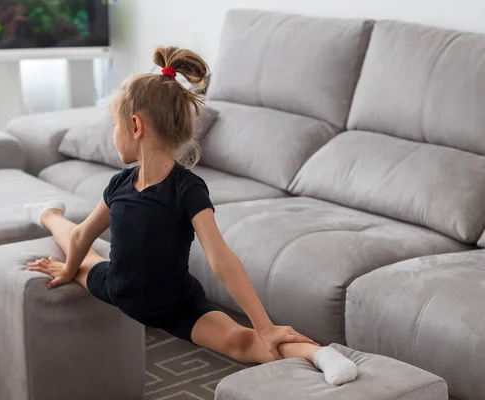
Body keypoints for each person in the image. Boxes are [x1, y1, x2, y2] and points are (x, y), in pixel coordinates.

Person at [24, 46, 358, 385]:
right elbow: (81, 236)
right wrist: (67, 270)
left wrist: (265, 326)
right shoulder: (119, 185)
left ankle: (321, 354)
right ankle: (49, 214)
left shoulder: (187, 189)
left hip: (175, 307)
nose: (113, 133)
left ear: (136, 126)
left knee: (242, 342)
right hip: (116, 286)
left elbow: (221, 259)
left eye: (114, 125)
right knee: (81, 250)